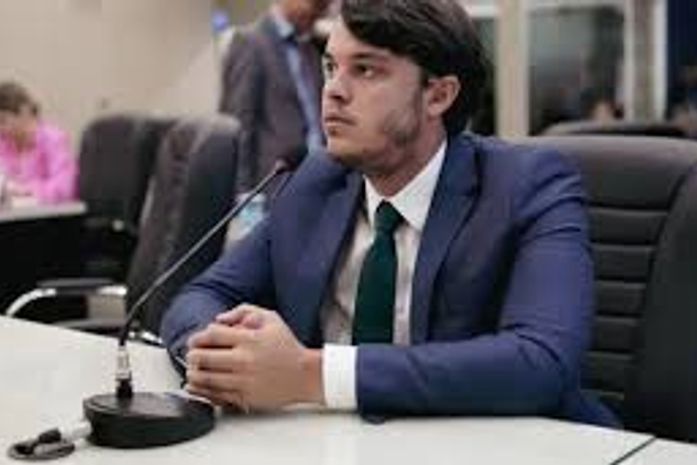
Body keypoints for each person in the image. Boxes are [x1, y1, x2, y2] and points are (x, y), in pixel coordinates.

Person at [162, 0, 617, 426]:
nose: (333, 92)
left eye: (365, 70)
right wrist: (224, 359)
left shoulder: (529, 186)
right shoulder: (314, 183)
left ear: (438, 95)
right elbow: (201, 296)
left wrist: (310, 374)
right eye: (330, 67)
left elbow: (542, 361)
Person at [220, 0, 331, 192]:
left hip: (319, 182)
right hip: (274, 186)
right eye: (315, 4)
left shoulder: (311, 46)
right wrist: (244, 195)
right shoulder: (250, 43)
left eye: (324, 6)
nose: (320, 13)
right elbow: (239, 130)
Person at [0, 81, 77, 205]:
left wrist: (26, 190)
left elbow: (64, 188)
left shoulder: (53, 140)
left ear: (24, 112)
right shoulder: (3, 142)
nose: (1, 129)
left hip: (47, 214)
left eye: (2, 121)